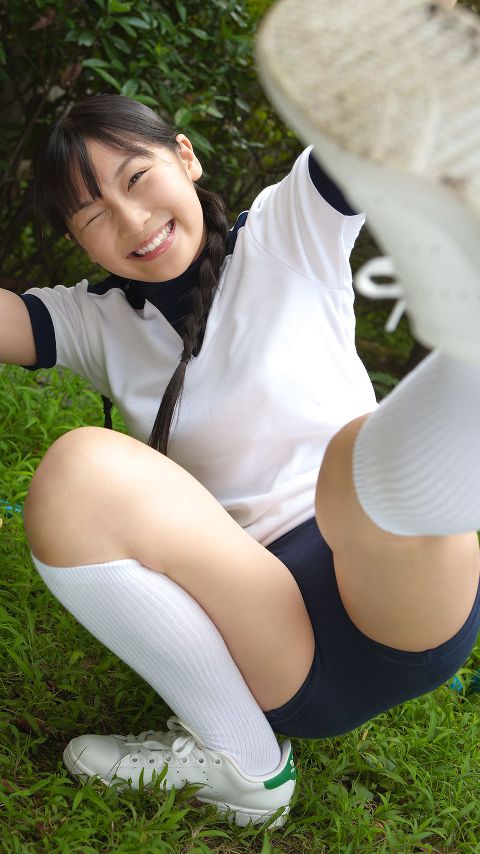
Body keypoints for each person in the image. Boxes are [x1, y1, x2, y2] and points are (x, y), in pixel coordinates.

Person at [3, 0, 479, 830]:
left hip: (404, 588)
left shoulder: (288, 228)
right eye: (94, 216)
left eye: (137, 179)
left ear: (185, 157)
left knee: (349, 475)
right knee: (78, 463)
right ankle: (244, 767)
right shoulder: (94, 320)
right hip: (275, 639)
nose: (132, 221)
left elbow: (369, 120)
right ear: (80, 243)